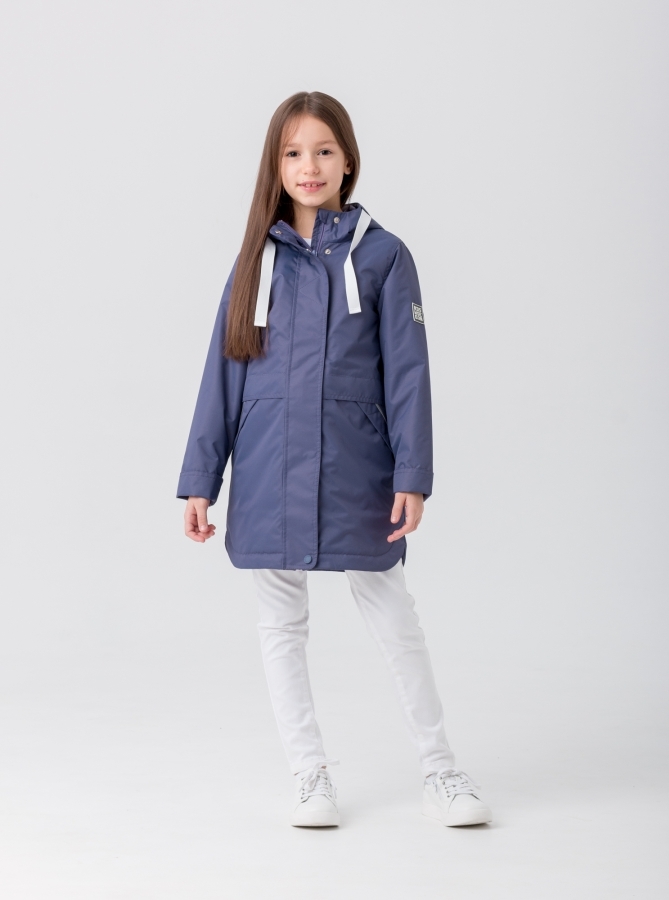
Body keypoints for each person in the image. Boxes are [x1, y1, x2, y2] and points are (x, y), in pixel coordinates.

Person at [177, 91, 491, 828]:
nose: (308, 166)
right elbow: (222, 374)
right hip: (266, 468)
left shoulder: (383, 256)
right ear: (275, 164)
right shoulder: (254, 260)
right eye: (292, 153)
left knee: (394, 618)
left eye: (322, 150)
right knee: (280, 624)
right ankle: (309, 774)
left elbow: (408, 372)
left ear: (347, 159)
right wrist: (200, 479)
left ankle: (440, 769)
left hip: (357, 469)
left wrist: (412, 474)